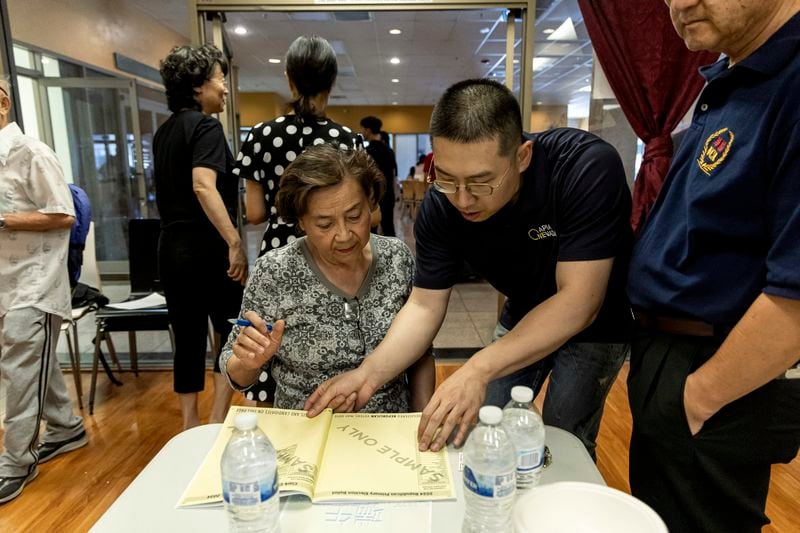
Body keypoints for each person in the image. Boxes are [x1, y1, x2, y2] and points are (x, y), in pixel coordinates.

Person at [306, 79, 632, 459]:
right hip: (525, 304)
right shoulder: (442, 208)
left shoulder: (583, 167)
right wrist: (369, 373)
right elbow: (424, 306)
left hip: (596, 319)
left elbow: (579, 302)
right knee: (482, 422)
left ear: (522, 156)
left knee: (564, 437)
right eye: (447, 178)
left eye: (481, 182)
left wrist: (476, 368)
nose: (462, 199)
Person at [626, 1, 800, 531]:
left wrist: (697, 399)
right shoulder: (734, 74)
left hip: (716, 371)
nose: (681, 4)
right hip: (671, 358)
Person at [220, 144, 434, 411]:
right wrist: (248, 362)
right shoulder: (275, 272)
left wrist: (418, 423)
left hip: (388, 427)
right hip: (306, 429)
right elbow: (235, 370)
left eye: (354, 216)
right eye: (325, 224)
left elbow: (421, 352)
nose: (344, 235)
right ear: (302, 222)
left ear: (370, 203)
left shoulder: (396, 258)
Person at [0, 77, 87, 504]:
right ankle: (66, 427)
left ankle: (15, 461)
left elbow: (62, 213)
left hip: (34, 281)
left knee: (19, 371)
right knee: (30, 363)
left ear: (1, 104)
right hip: (5, 280)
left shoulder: (30, 153)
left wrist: (4, 220)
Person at [154, 44, 246, 430]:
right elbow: (203, 186)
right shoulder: (207, 127)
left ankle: (190, 425)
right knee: (231, 330)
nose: (224, 88)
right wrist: (234, 242)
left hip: (171, 248)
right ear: (197, 86)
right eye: (219, 79)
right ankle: (217, 420)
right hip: (206, 248)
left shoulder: (164, 131)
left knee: (188, 337)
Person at [236, 35, 355, 256]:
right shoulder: (347, 139)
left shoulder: (260, 135)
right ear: (332, 80)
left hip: (278, 251)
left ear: (289, 78)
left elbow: (254, 214)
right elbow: (368, 212)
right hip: (331, 250)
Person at [360, 116, 396, 236]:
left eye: (363, 129)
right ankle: (393, 254)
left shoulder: (367, 151)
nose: (362, 132)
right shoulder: (389, 151)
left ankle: (373, 255)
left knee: (371, 231)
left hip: (374, 196)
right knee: (389, 228)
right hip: (389, 194)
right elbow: (393, 173)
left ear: (368, 130)